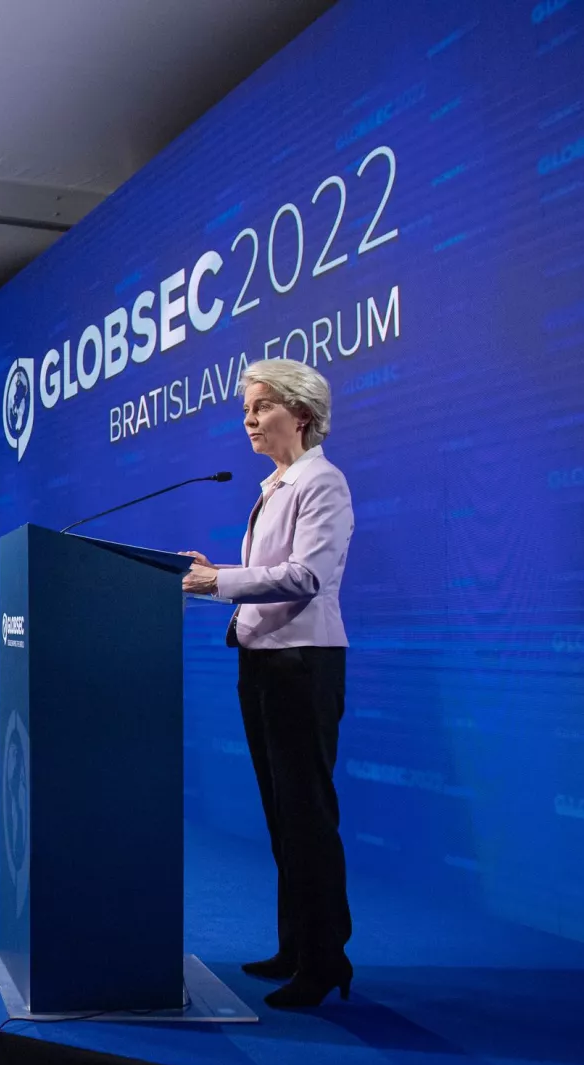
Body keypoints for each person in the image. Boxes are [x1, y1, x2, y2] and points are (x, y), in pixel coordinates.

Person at [180, 358, 354, 1010]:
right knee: (283, 816)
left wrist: (218, 582)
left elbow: (304, 576)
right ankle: (295, 946)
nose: (248, 419)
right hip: (263, 660)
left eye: (261, 407)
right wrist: (215, 573)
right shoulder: (277, 482)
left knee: (307, 815)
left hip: (302, 663)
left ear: (301, 414)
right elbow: (269, 573)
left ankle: (325, 960)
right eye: (246, 408)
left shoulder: (323, 483)